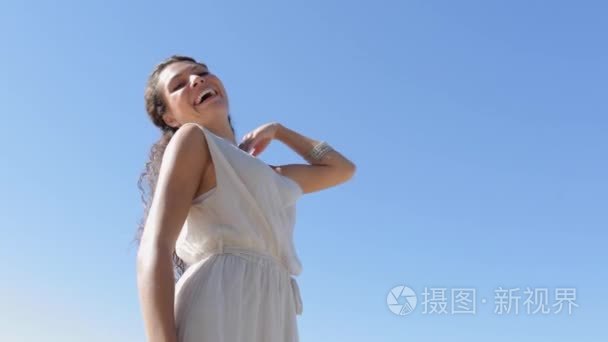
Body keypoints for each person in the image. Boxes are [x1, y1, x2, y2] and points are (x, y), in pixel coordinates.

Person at [134, 55, 356, 342]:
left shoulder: (269, 174)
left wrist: (280, 131)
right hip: (219, 300)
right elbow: (155, 246)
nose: (197, 79)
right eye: (178, 85)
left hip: (275, 310)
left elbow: (342, 169)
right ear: (170, 118)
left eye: (202, 71)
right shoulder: (194, 139)